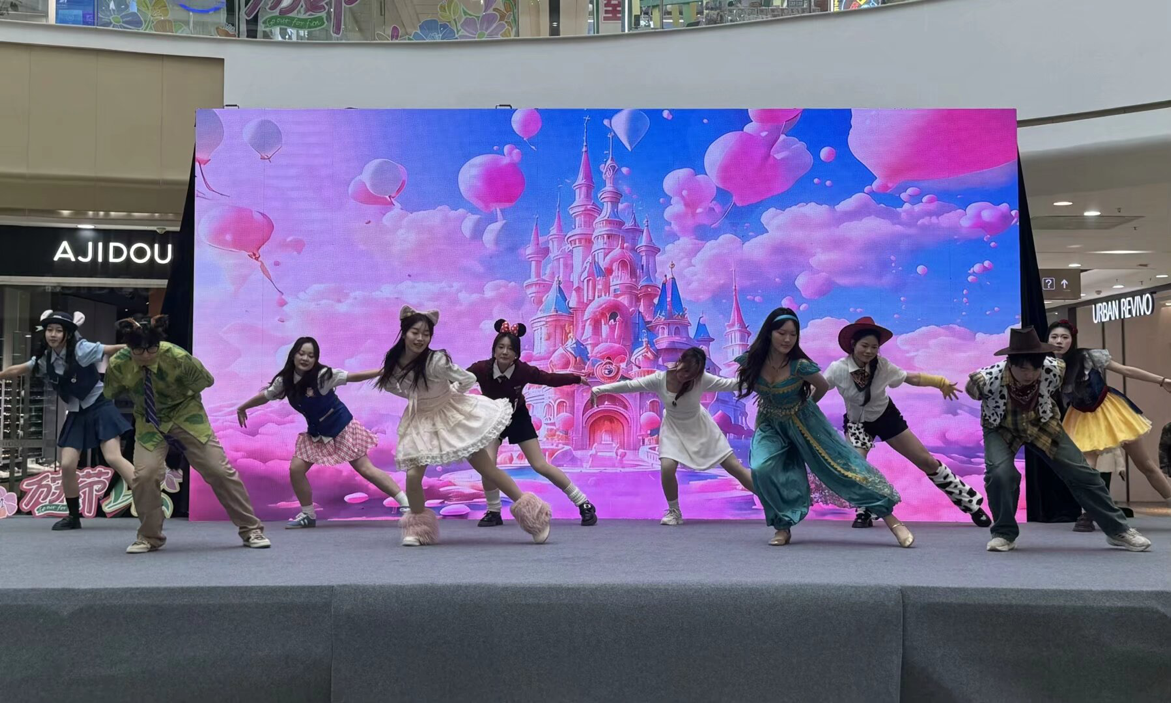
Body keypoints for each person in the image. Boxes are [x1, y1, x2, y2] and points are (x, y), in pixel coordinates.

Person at [375, 306, 552, 546]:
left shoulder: (436, 360)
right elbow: (389, 384)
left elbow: (468, 379)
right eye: (415, 332)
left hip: (453, 414)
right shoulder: (394, 360)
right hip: (420, 420)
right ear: (404, 332)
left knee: (487, 469)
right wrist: (413, 396)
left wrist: (449, 395)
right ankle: (417, 530)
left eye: (426, 334)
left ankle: (535, 518)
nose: (420, 338)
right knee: (413, 476)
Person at [735, 308, 913, 547]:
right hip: (769, 424)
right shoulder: (751, 361)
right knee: (761, 467)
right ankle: (782, 526)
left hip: (804, 421)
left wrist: (803, 407)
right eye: (781, 333)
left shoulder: (800, 366)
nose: (787, 339)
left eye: (793, 334)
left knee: (840, 469)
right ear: (769, 333)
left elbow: (820, 387)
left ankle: (893, 521)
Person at [965, 327, 1150, 552]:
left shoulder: (1055, 368)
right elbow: (972, 393)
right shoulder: (985, 379)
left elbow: (1056, 391)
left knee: (1083, 473)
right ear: (1010, 364)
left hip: (1042, 423)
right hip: (1001, 427)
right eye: (1023, 369)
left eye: (1035, 369)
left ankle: (1118, 530)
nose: (1029, 375)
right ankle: (1004, 533)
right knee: (1000, 475)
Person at [104, 315, 270, 553]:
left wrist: (176, 395)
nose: (146, 355)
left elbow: (206, 381)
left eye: (151, 348)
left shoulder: (176, 356)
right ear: (129, 347)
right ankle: (149, 536)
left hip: (186, 414)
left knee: (219, 470)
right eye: (138, 350)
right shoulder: (119, 363)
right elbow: (111, 391)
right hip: (149, 420)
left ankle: (251, 529)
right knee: (145, 475)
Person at [824, 317, 991, 528]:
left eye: (874, 347)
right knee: (858, 467)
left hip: (886, 417)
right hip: (857, 423)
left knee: (926, 461)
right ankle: (865, 510)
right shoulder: (837, 368)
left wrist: (940, 382)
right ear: (853, 344)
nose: (869, 351)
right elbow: (818, 387)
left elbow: (912, 378)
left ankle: (970, 503)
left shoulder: (883, 366)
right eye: (864, 345)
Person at [235, 337, 410, 529]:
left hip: (342, 426)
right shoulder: (284, 381)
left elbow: (354, 376)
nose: (305, 358)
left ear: (315, 359)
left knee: (365, 468)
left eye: (311, 355)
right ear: (293, 355)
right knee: (296, 469)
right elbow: (266, 395)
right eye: (301, 353)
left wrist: (383, 371)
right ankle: (308, 515)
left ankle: (406, 504)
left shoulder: (323, 376)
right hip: (317, 432)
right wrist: (243, 407)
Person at [0, 310, 135, 530]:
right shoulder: (45, 359)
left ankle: (150, 503)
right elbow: (19, 369)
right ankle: (73, 516)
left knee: (113, 457)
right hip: (76, 412)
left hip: (100, 406)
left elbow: (112, 349)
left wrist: (140, 348)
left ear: (67, 334)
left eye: (58, 330)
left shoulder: (82, 349)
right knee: (67, 464)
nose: (52, 334)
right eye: (49, 330)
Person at [591, 346, 754, 525]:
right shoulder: (660, 379)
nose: (686, 376)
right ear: (679, 362)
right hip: (673, 430)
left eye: (691, 374)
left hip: (701, 428)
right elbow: (630, 385)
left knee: (734, 467)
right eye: (684, 370)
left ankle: (770, 500)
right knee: (667, 468)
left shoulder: (702, 379)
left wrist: (759, 378)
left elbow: (732, 384)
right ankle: (674, 511)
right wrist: (600, 390)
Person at [468, 320, 597, 527]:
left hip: (517, 417)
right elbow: (458, 378)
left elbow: (549, 378)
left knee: (539, 464)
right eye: (501, 347)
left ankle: (583, 503)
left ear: (517, 354)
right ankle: (493, 511)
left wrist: (575, 378)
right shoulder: (481, 368)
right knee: (487, 466)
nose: (505, 352)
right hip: (492, 420)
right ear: (494, 350)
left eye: (510, 349)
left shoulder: (523, 370)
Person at [1047, 320, 1171, 529]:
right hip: (1081, 418)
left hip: (1111, 411)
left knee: (1145, 464)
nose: (1059, 341)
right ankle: (1088, 514)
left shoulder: (1087, 356)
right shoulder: (1047, 366)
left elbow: (1126, 370)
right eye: (1055, 337)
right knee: (1087, 467)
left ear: (1072, 340)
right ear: (1047, 340)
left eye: (1065, 337)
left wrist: (1162, 380)